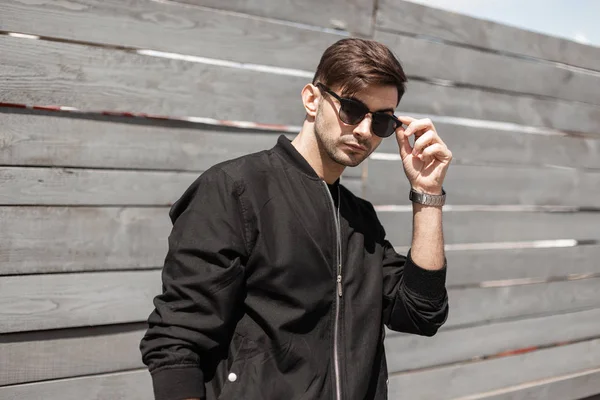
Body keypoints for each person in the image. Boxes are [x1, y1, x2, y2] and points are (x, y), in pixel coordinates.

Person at [140, 37, 452, 400]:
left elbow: (420, 313)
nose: (366, 131)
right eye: (351, 109)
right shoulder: (235, 189)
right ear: (311, 98)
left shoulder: (360, 221)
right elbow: (176, 341)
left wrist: (428, 196)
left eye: (382, 121)